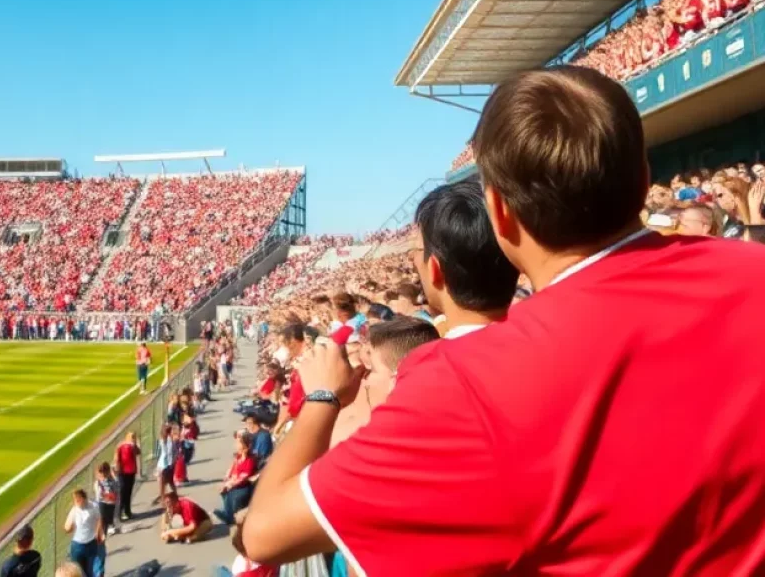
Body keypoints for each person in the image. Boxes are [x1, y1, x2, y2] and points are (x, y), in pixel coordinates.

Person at [242, 65, 765, 575]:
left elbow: (264, 533)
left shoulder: (468, 385)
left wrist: (320, 398)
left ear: (500, 213)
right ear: (643, 176)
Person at [413, 175, 519, 339]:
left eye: (418, 249)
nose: (413, 260)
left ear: (435, 268)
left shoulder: (426, 364)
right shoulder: (558, 335)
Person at [215, 432, 258, 525]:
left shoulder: (249, 461)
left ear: (246, 446)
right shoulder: (238, 458)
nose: (236, 446)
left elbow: (244, 476)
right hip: (235, 483)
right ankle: (227, 513)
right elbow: (231, 469)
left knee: (234, 495)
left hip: (244, 485)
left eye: (239, 443)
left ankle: (230, 515)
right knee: (225, 491)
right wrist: (227, 480)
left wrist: (231, 483)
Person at [63, 488, 105, 577]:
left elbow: (99, 519)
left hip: (91, 543)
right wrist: (71, 526)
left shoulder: (93, 506)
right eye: (75, 500)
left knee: (91, 571)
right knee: (78, 571)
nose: (76, 502)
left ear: (83, 498)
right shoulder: (74, 510)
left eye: (78, 500)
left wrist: (99, 532)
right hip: (78, 545)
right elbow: (66, 528)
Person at [114, 431, 140, 520]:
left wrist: (135, 445)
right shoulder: (121, 445)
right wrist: (118, 470)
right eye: (132, 437)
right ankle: (119, 514)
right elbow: (116, 458)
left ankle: (128, 512)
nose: (133, 439)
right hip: (123, 473)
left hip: (131, 472)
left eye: (134, 437)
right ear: (127, 437)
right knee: (122, 493)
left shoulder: (132, 446)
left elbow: (138, 452)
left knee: (128, 492)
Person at [93, 462, 118, 536]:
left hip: (111, 502)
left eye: (104, 473)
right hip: (102, 502)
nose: (103, 475)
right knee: (103, 518)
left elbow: (116, 488)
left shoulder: (111, 481)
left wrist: (113, 475)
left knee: (109, 518)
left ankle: (108, 527)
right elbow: (98, 493)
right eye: (101, 473)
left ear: (107, 472)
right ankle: (103, 533)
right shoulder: (98, 482)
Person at [155, 422, 177, 501]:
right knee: (170, 481)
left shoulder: (160, 441)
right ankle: (174, 495)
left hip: (162, 464)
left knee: (162, 484)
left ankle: (163, 497)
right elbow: (174, 453)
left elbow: (157, 454)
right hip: (169, 464)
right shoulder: (171, 440)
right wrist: (173, 462)